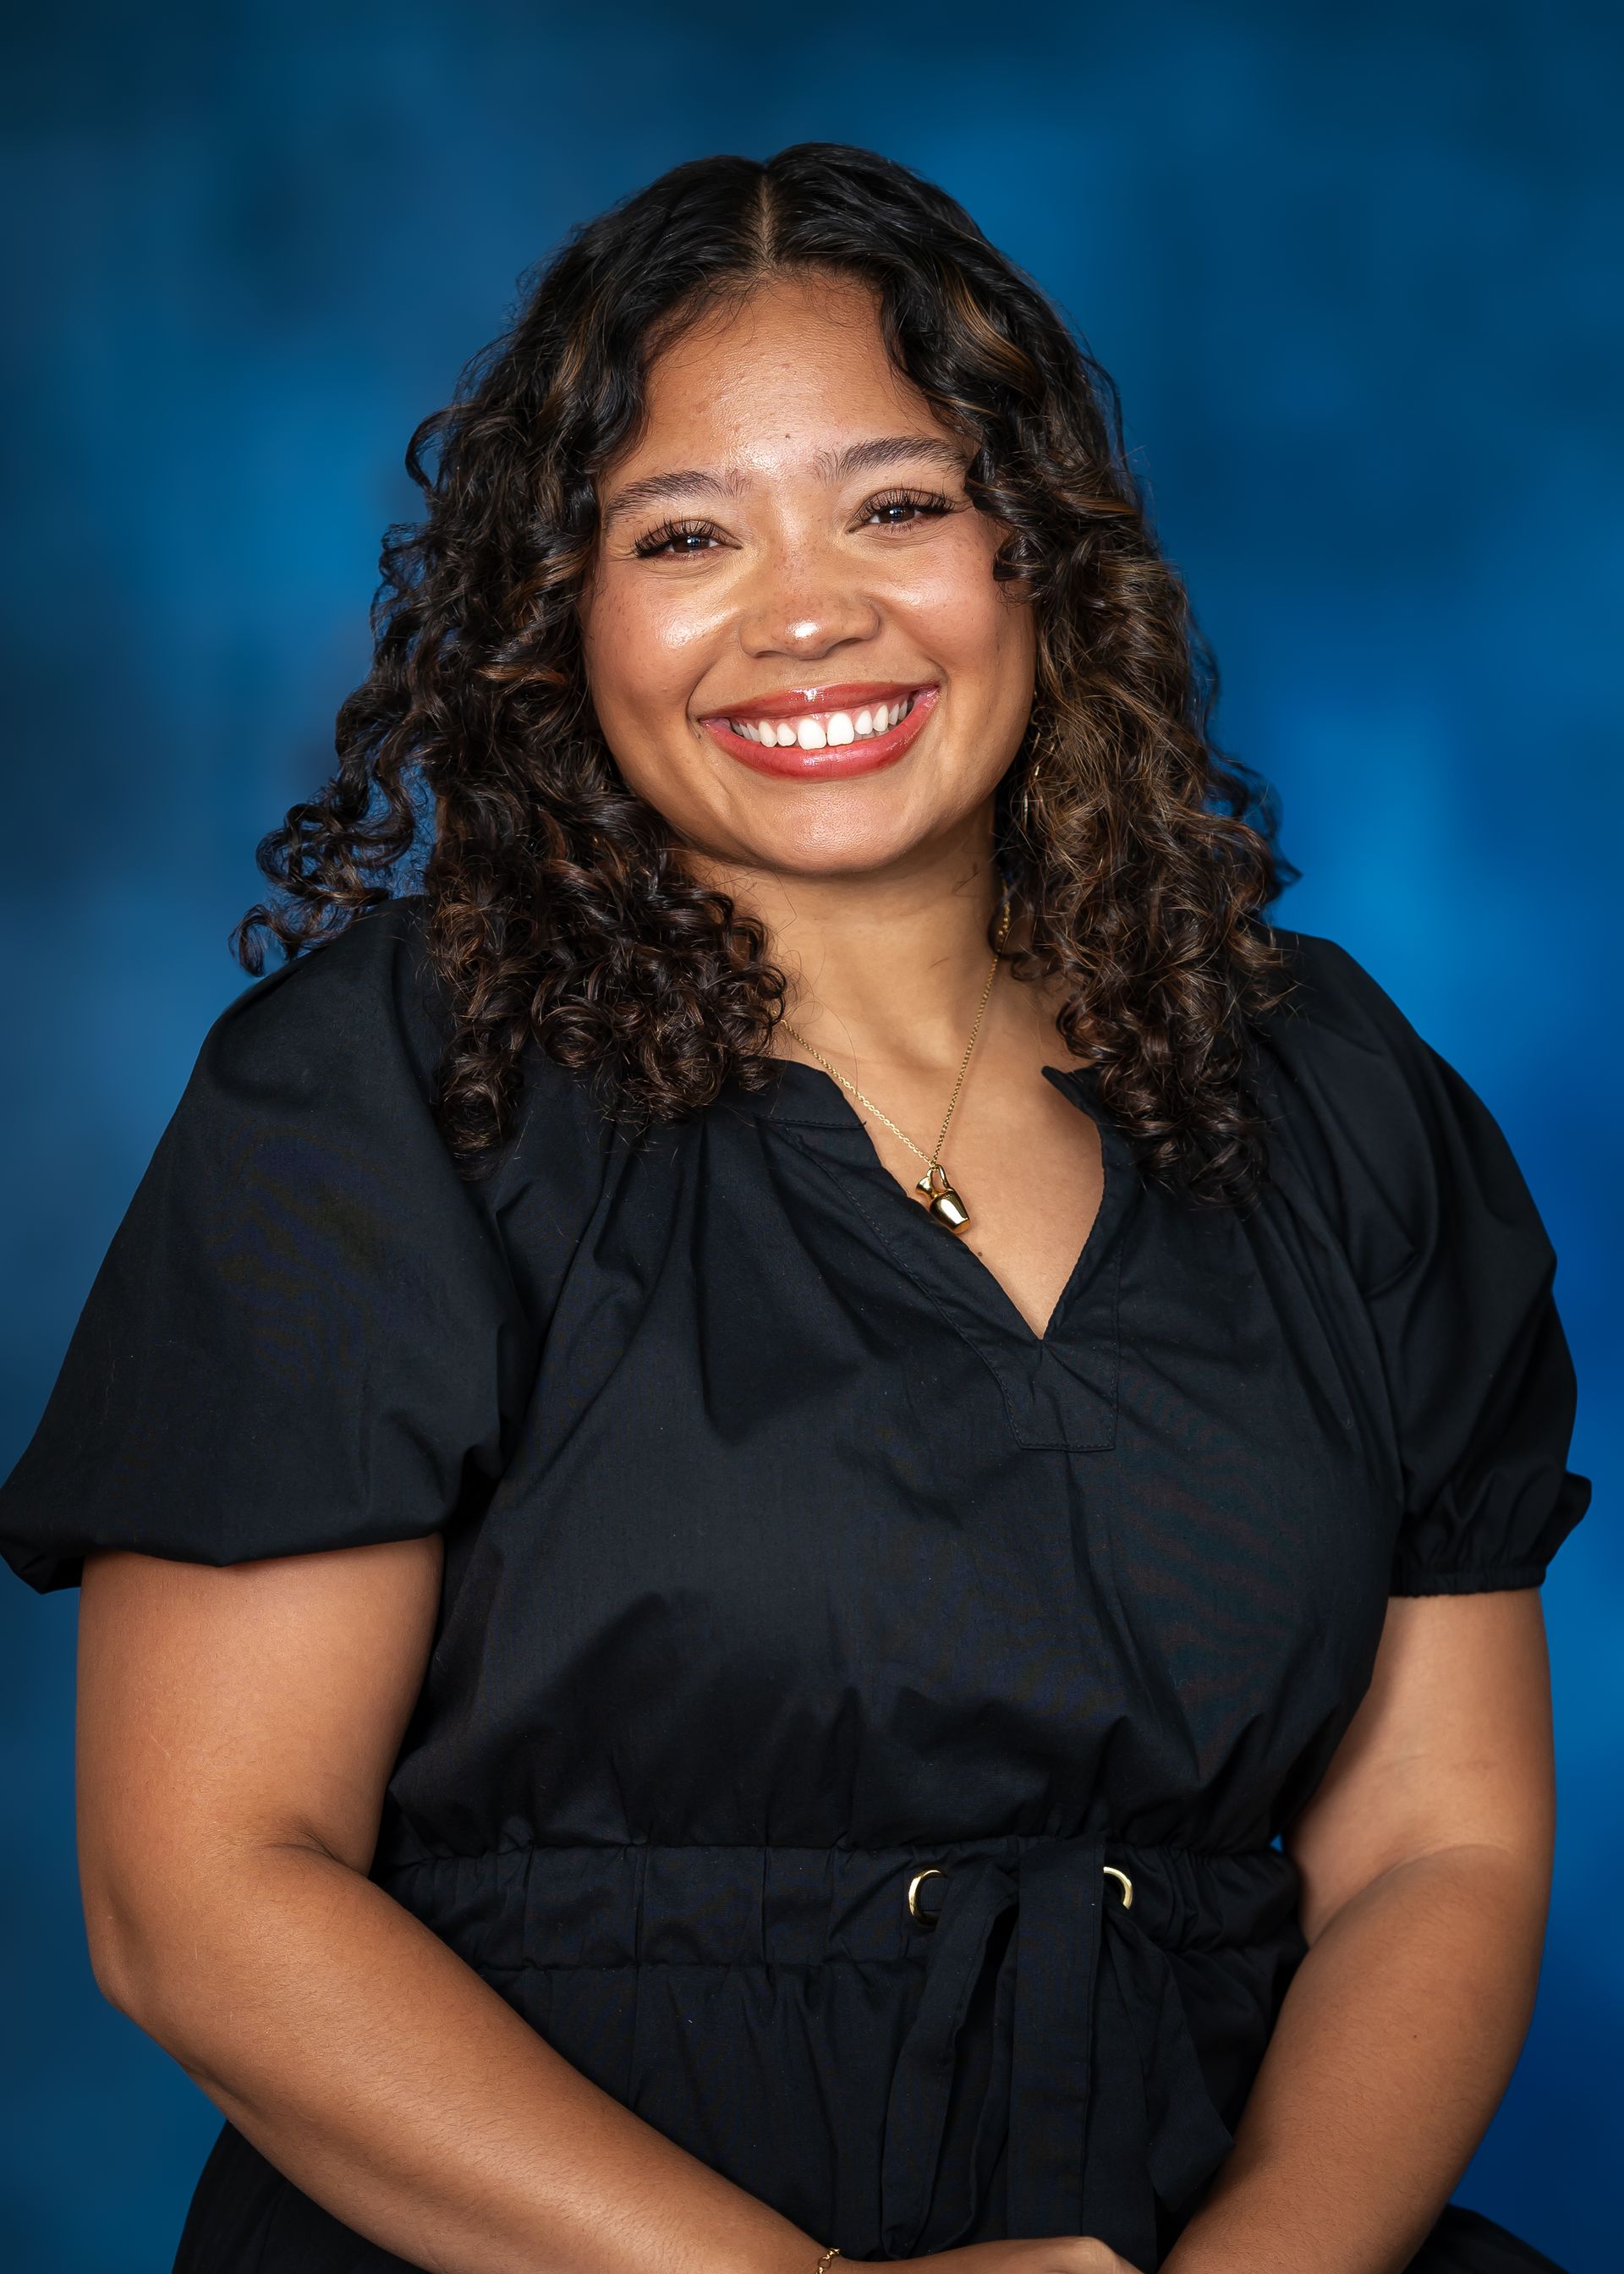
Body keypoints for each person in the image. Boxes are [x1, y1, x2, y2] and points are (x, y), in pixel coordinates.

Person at [0, 144, 1588, 2274]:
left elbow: (1442, 1849)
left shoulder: (1337, 1096)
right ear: (563, 616)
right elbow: (200, 1893)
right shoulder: (374, 1102)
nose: (808, 609)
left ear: (1041, 552)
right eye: (683, 534)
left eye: (898, 503)